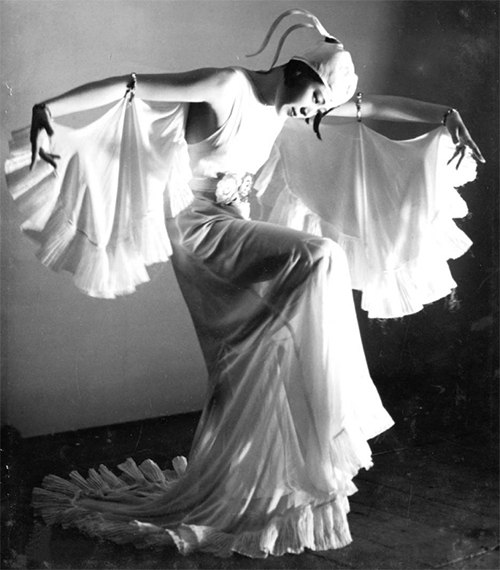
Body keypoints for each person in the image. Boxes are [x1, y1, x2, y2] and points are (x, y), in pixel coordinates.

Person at [9, 8, 484, 559]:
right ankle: (338, 414)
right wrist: (48, 109)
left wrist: (444, 114)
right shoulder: (227, 86)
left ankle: (248, 479)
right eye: (315, 98)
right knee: (321, 256)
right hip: (199, 230)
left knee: (253, 353)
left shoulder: (289, 106)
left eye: (320, 107)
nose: (313, 112)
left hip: (234, 223)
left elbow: (368, 107)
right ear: (299, 70)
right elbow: (134, 85)